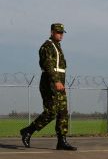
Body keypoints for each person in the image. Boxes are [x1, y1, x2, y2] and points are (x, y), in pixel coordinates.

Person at [20, 23, 77, 151]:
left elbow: (60, 68)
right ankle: (28, 131)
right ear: (52, 32)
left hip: (58, 83)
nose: (61, 35)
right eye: (58, 32)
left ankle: (62, 141)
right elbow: (48, 65)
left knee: (63, 112)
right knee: (51, 112)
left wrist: (61, 83)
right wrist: (56, 81)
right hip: (49, 82)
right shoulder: (47, 46)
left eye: (62, 32)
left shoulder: (58, 47)